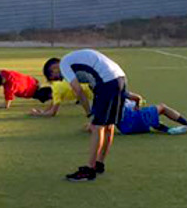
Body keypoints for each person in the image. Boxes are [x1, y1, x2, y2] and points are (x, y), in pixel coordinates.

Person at [43, 49, 128, 182]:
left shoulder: (64, 64)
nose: (57, 79)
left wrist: (88, 112)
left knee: (97, 127)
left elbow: (78, 91)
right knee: (109, 125)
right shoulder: (74, 62)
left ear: (54, 68)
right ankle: (99, 164)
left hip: (106, 81)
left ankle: (89, 170)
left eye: (53, 76)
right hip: (120, 77)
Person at [115, 97, 187, 136]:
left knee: (147, 114)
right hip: (137, 122)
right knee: (162, 107)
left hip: (126, 129)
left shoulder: (103, 101)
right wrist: (138, 104)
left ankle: (166, 129)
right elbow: (138, 98)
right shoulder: (122, 92)